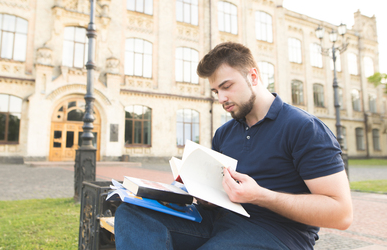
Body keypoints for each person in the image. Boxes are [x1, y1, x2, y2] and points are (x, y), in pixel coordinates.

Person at [114, 42, 353, 249]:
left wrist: (261, 196)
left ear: (254, 77)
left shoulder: (303, 128)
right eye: (216, 91)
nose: (221, 98)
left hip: (278, 235)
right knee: (133, 213)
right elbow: (217, 193)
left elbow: (342, 213)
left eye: (227, 87)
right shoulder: (225, 133)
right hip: (217, 222)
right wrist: (202, 192)